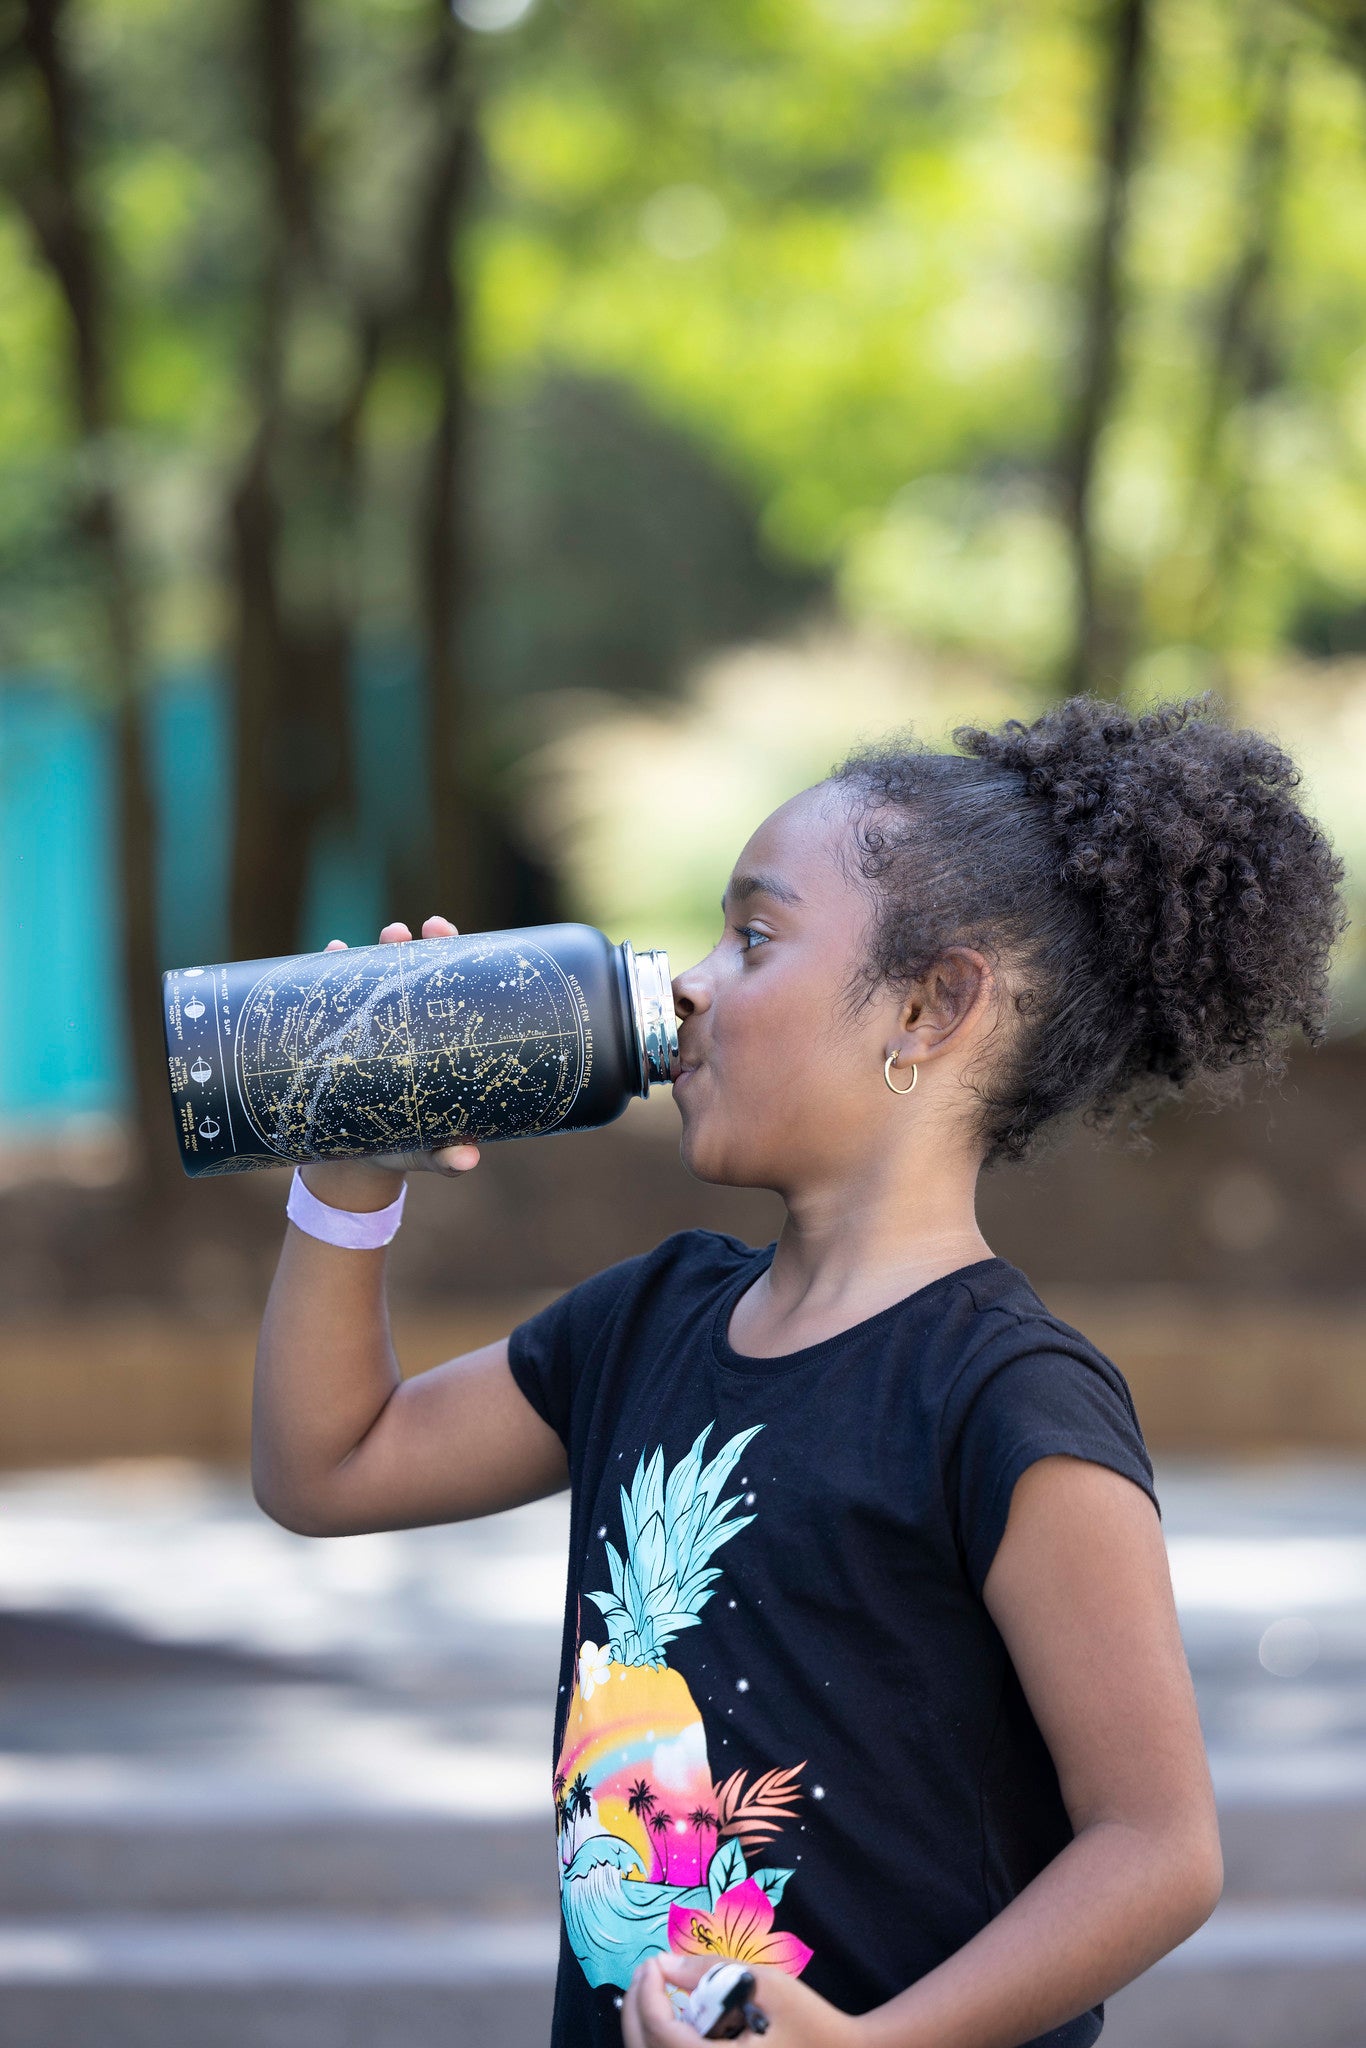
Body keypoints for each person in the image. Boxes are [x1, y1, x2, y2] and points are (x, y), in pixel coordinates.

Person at [251, 696, 1345, 2048]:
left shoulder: (1007, 1401)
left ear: (931, 1004)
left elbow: (1156, 1849)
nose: (691, 982)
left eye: (753, 937)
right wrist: (351, 1165)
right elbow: (326, 1465)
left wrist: (872, 2046)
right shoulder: (645, 1321)